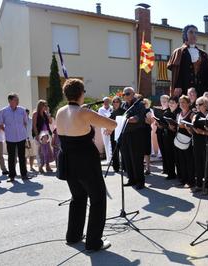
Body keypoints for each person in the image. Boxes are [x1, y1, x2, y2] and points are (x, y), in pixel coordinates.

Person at [56, 78, 116, 251]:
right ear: (81, 94)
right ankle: (93, 242)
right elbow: (112, 123)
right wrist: (108, 128)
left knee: (78, 198)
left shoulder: (60, 111)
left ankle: (73, 235)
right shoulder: (83, 112)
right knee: (98, 199)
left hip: (68, 161)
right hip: (85, 162)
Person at [167, 24, 208, 97]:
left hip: (202, 90)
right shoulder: (179, 52)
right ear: (185, 35)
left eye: (196, 33)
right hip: (185, 90)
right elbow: (177, 71)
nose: (194, 35)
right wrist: (177, 86)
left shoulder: (203, 54)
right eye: (191, 32)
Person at [118, 87, 147, 189]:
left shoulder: (140, 104)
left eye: (127, 93)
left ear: (133, 94)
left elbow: (137, 118)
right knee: (127, 158)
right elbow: (117, 116)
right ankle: (131, 179)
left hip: (136, 135)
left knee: (136, 159)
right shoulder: (123, 105)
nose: (125, 96)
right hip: (125, 134)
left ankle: (140, 182)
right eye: (124, 94)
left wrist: (126, 119)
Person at [0, 93, 30, 182]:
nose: (17, 101)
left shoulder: (22, 110)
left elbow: (25, 122)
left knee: (22, 157)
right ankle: (12, 176)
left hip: (21, 137)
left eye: (17, 99)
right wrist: (6, 131)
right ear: (10, 101)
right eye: (16, 99)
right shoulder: (3, 111)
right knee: (11, 157)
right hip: (10, 138)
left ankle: (24, 175)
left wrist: (23, 132)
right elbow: (0, 124)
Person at [174, 95, 195, 187]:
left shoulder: (192, 114)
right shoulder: (178, 114)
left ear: (188, 103)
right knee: (181, 160)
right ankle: (183, 179)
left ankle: (191, 181)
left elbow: (194, 128)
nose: (181, 104)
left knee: (189, 161)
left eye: (183, 102)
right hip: (179, 139)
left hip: (188, 140)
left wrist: (186, 127)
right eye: (180, 102)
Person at [191, 96, 208, 193]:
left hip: (207, 141)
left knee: (206, 164)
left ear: (205, 105)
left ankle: (207, 186)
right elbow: (193, 127)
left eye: (200, 104)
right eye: (196, 104)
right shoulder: (195, 115)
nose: (197, 106)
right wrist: (192, 126)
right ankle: (198, 184)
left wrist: (203, 132)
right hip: (197, 141)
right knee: (198, 163)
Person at [33, 100, 53, 173]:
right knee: (41, 152)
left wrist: (48, 113)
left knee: (47, 151)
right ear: (41, 106)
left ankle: (47, 166)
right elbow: (34, 125)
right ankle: (40, 167)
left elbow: (50, 122)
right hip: (40, 134)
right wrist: (37, 135)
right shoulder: (35, 113)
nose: (46, 107)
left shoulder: (45, 114)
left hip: (46, 134)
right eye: (45, 105)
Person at [163, 96, 181, 180]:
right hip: (167, 136)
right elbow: (164, 124)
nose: (171, 104)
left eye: (173, 103)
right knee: (169, 155)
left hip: (177, 136)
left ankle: (180, 174)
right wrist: (163, 125)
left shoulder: (179, 112)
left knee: (177, 157)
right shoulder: (166, 112)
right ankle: (171, 174)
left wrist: (174, 127)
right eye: (170, 102)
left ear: (177, 104)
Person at [153, 95, 169, 173]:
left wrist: (161, 125)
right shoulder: (158, 110)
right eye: (162, 101)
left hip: (166, 133)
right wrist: (156, 122)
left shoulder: (169, 111)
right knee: (162, 151)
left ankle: (168, 169)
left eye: (165, 101)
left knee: (167, 151)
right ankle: (165, 169)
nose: (163, 103)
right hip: (159, 132)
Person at [109, 96, 123, 172]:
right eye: (114, 102)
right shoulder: (111, 111)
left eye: (117, 101)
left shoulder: (123, 111)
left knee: (123, 151)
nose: (115, 103)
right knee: (114, 151)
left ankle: (125, 167)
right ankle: (116, 167)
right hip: (113, 133)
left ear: (120, 103)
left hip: (121, 134)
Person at [98, 97, 113, 164]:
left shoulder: (112, 108)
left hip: (112, 128)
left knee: (113, 143)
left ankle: (115, 159)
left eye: (107, 101)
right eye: (105, 101)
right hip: (104, 128)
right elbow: (100, 119)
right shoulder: (100, 109)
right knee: (106, 143)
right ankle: (108, 160)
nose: (106, 102)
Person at [142, 98, 153, 175]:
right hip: (138, 132)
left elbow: (150, 122)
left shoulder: (148, 111)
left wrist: (142, 118)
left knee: (146, 150)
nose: (143, 105)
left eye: (145, 103)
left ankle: (148, 168)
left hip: (145, 131)